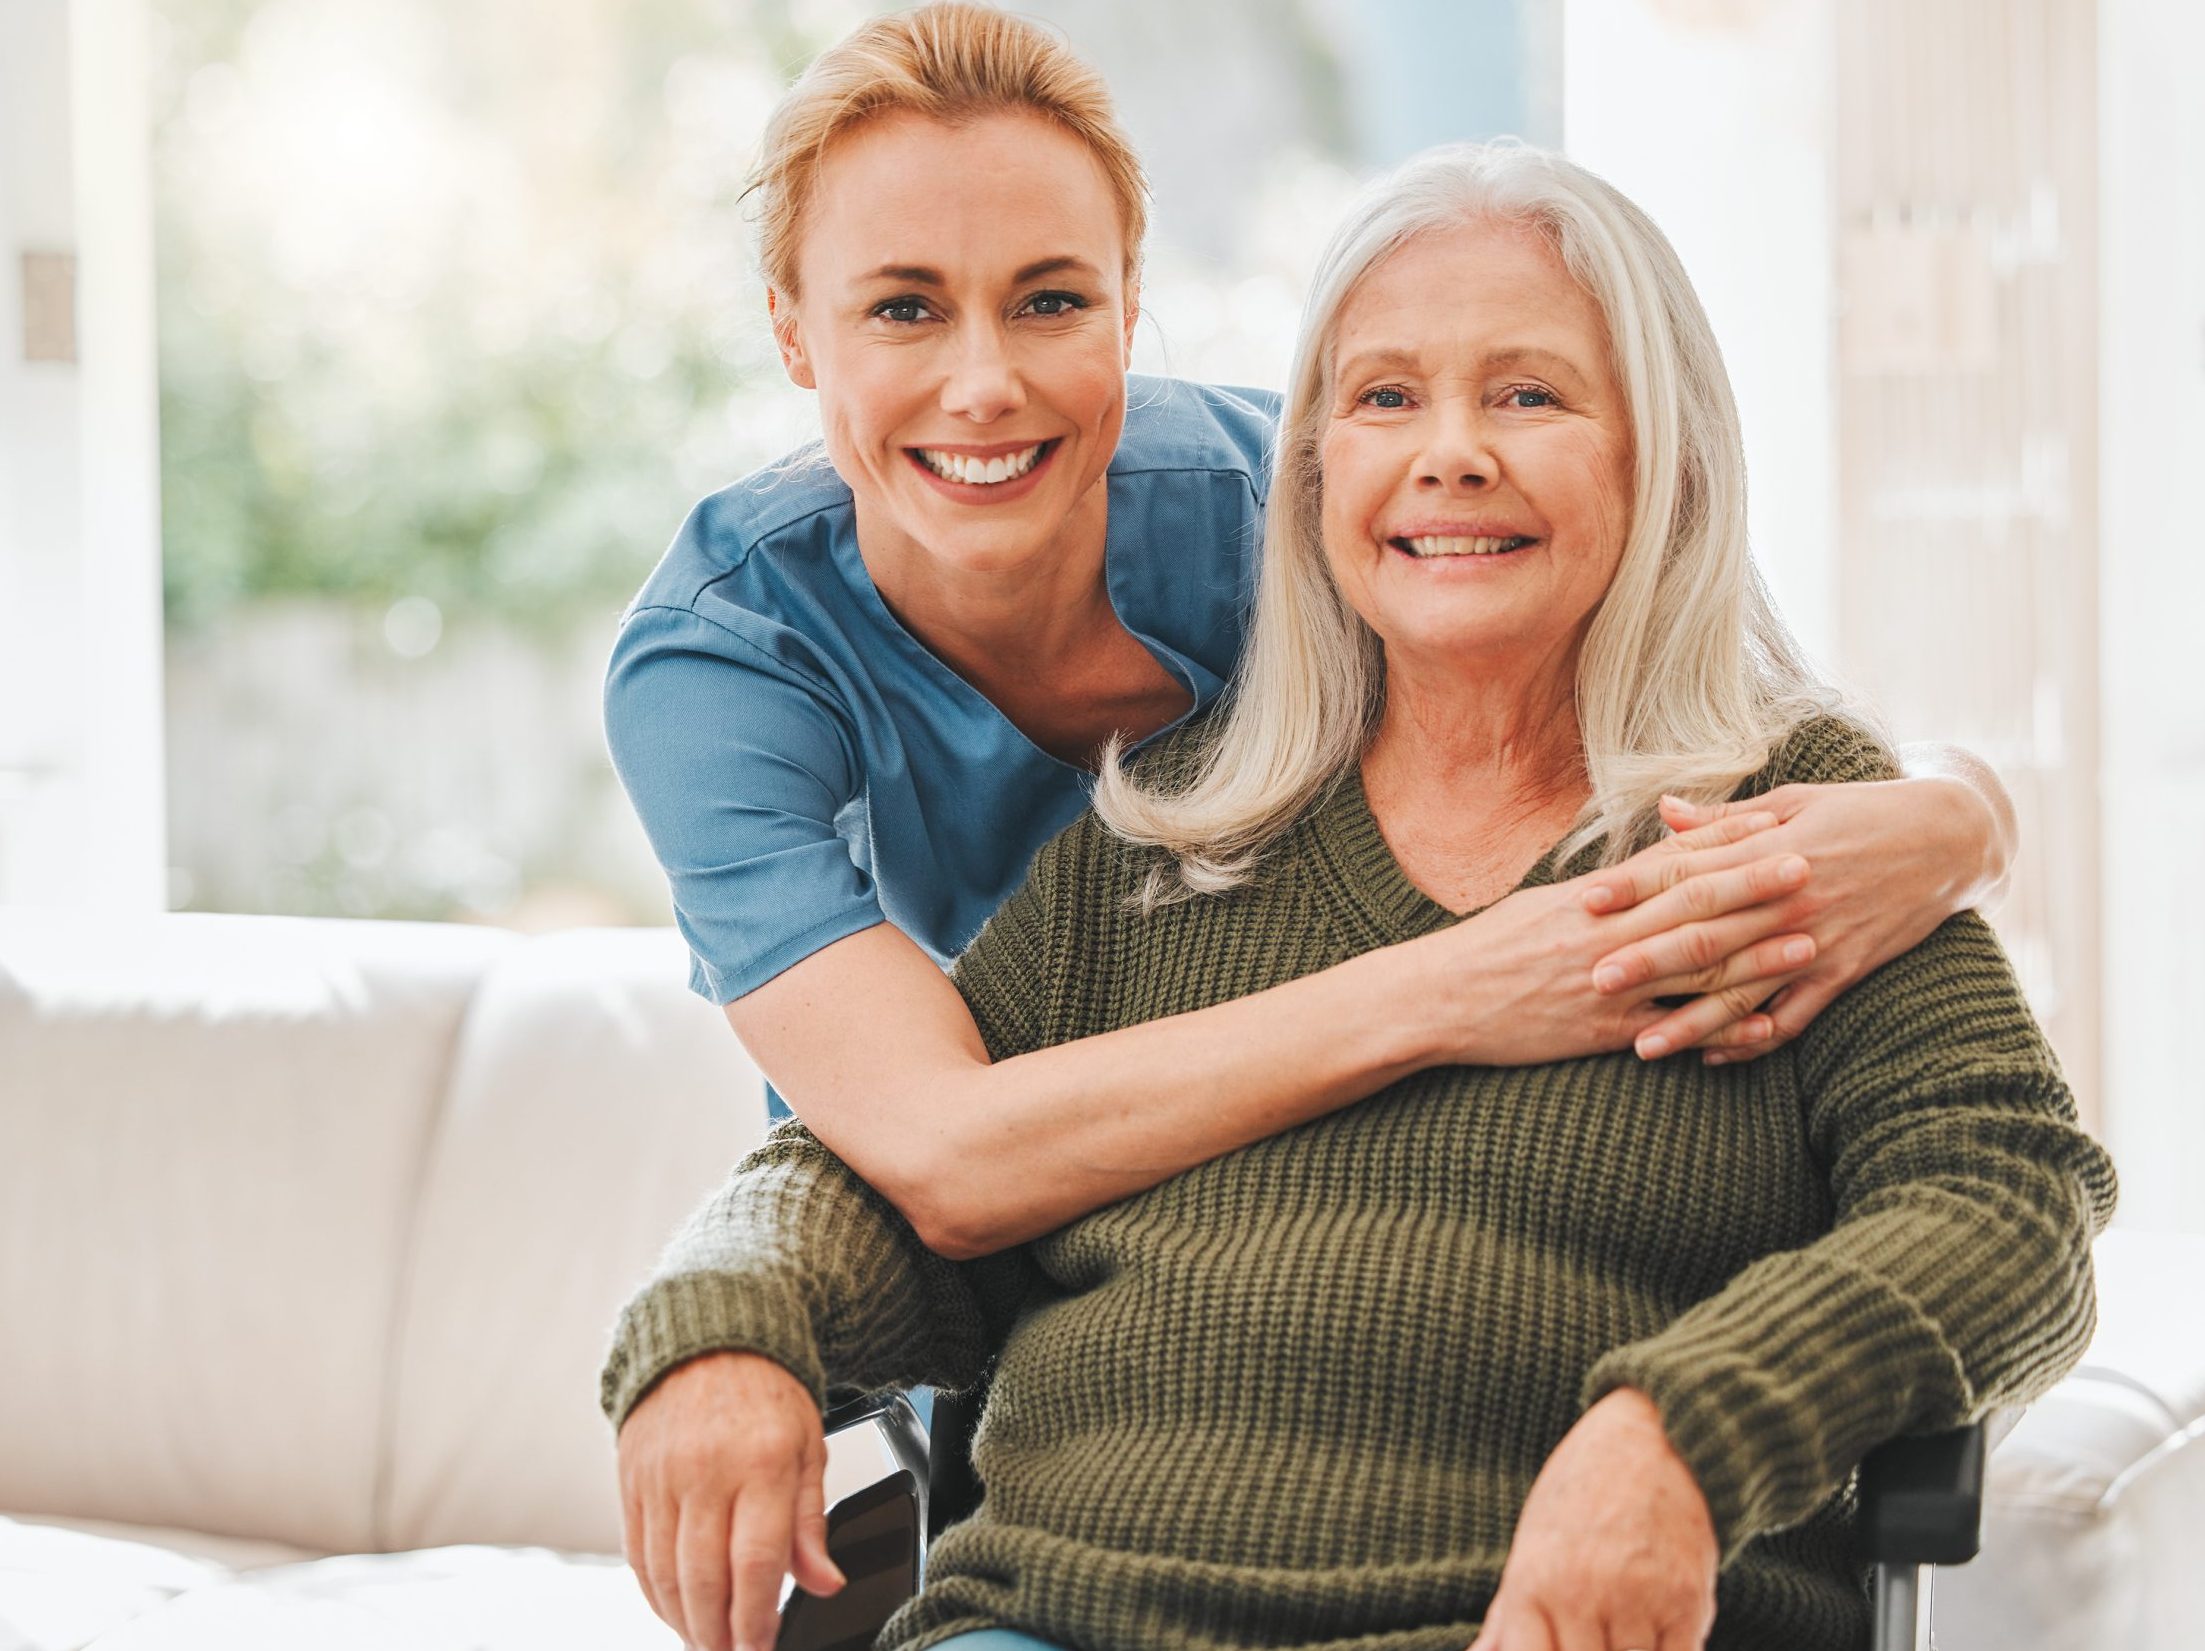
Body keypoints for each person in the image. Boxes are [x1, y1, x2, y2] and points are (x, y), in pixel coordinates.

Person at [602, 141, 2114, 1651]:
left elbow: (2006, 1198)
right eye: (1386, 398)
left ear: (1665, 453)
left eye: (1525, 394)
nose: (1447, 453)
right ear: (1313, 471)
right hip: (1059, 1620)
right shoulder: (1164, 828)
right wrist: (726, 1325)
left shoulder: (1773, 825)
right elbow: (884, 1168)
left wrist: (1680, 1434)